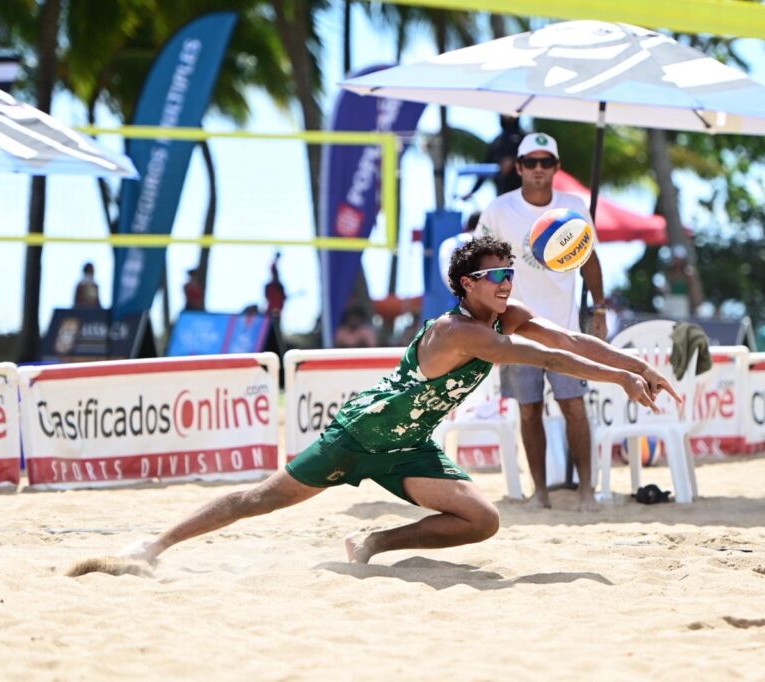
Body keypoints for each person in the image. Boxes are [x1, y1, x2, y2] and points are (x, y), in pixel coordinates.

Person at [96, 237, 677, 571]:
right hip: (362, 433)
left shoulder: (505, 313)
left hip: (409, 446)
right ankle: (153, 545)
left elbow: (569, 340)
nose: (506, 281)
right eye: (495, 274)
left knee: (482, 521)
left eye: (509, 272)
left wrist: (636, 365)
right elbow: (542, 358)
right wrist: (619, 378)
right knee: (261, 499)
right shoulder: (458, 331)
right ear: (466, 283)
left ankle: (372, 544)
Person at [477, 132, 608, 511]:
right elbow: (478, 262)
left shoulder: (573, 206)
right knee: (529, 409)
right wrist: (485, 317)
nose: (538, 168)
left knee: (574, 407)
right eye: (531, 162)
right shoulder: (499, 210)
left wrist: (599, 309)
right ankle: (541, 494)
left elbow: (590, 259)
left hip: (564, 329)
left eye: (545, 162)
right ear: (518, 167)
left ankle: (587, 492)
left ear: (556, 167)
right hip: (516, 331)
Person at [461, 115, 525, 201]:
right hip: (502, 192)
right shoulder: (497, 141)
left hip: (522, 193)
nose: (508, 116)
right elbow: (485, 167)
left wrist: (514, 161)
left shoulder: (524, 139)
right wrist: (472, 191)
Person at [265, 252, 287, 319]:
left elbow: (284, 297)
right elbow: (273, 269)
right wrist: (276, 259)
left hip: (276, 312)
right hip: (271, 312)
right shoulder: (271, 286)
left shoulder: (279, 286)